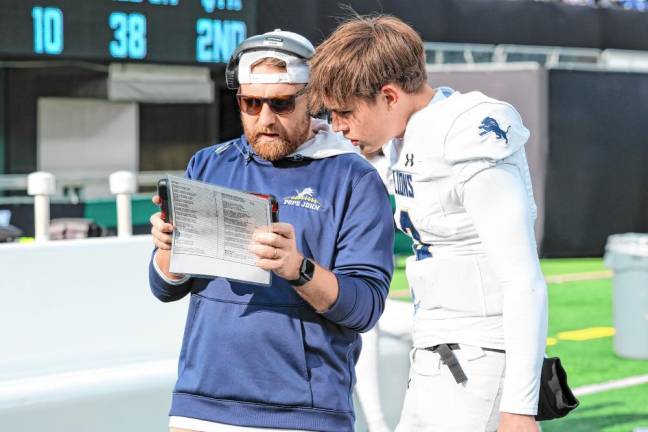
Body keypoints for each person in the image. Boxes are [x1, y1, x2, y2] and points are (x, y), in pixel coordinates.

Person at [308, 15, 548, 432]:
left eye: (344, 112)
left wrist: (520, 407)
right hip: (438, 353)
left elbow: (522, 278)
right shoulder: (405, 132)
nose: (338, 126)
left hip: (476, 359)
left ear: (389, 96)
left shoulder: (464, 131)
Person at [148, 29, 394, 432]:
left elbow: (364, 307)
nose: (264, 118)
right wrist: (167, 250)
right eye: (251, 102)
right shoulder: (208, 164)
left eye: (280, 103)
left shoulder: (354, 177)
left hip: (303, 415)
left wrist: (298, 268)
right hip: (200, 405)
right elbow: (165, 288)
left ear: (310, 99)